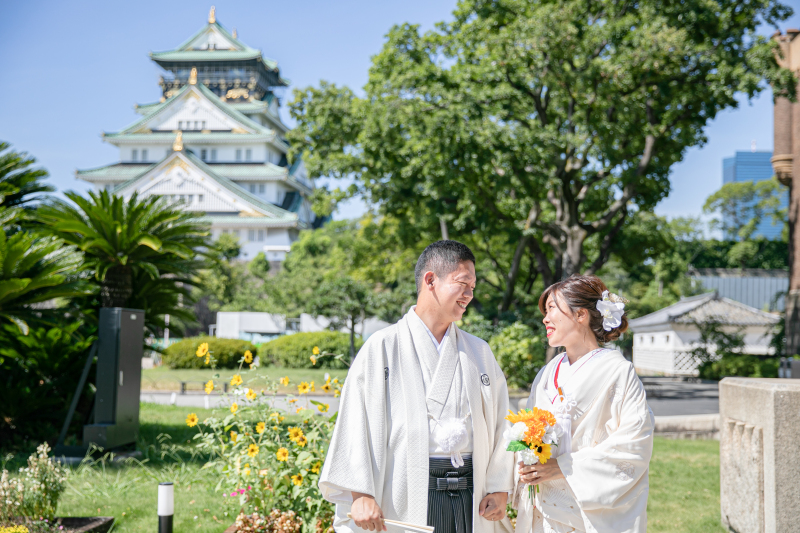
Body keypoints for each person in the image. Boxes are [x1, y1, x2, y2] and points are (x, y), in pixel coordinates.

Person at [319, 240, 515, 533]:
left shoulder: (479, 351)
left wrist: (500, 486)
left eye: (473, 287)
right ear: (430, 280)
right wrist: (360, 493)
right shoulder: (382, 347)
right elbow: (355, 422)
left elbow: (504, 422)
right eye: (463, 283)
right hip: (403, 490)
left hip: (473, 496)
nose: (469, 294)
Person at [512, 275, 654, 533]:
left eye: (552, 308)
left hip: (587, 514)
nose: (545, 318)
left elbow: (634, 444)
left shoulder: (618, 372)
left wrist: (562, 468)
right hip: (543, 513)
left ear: (581, 315)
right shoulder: (547, 373)